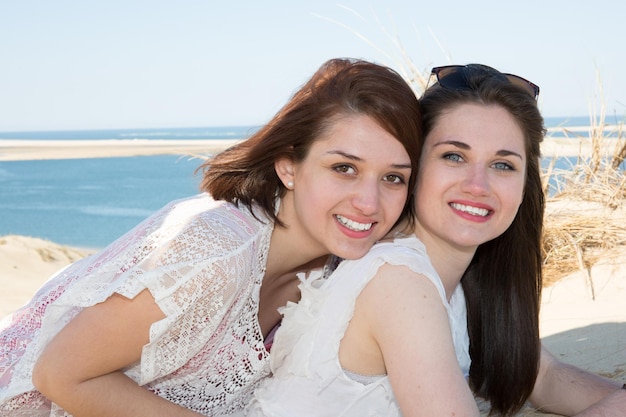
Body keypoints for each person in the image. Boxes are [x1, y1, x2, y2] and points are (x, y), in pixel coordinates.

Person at [0, 58, 423, 416]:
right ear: (288, 166)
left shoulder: (343, 264)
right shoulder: (213, 251)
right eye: (343, 168)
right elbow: (59, 374)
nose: (369, 203)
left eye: (393, 177)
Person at [240, 64, 626, 416]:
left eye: (502, 165)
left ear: (524, 187)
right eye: (454, 157)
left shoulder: (461, 280)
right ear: (414, 168)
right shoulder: (398, 279)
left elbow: (543, 377)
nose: (477, 185)